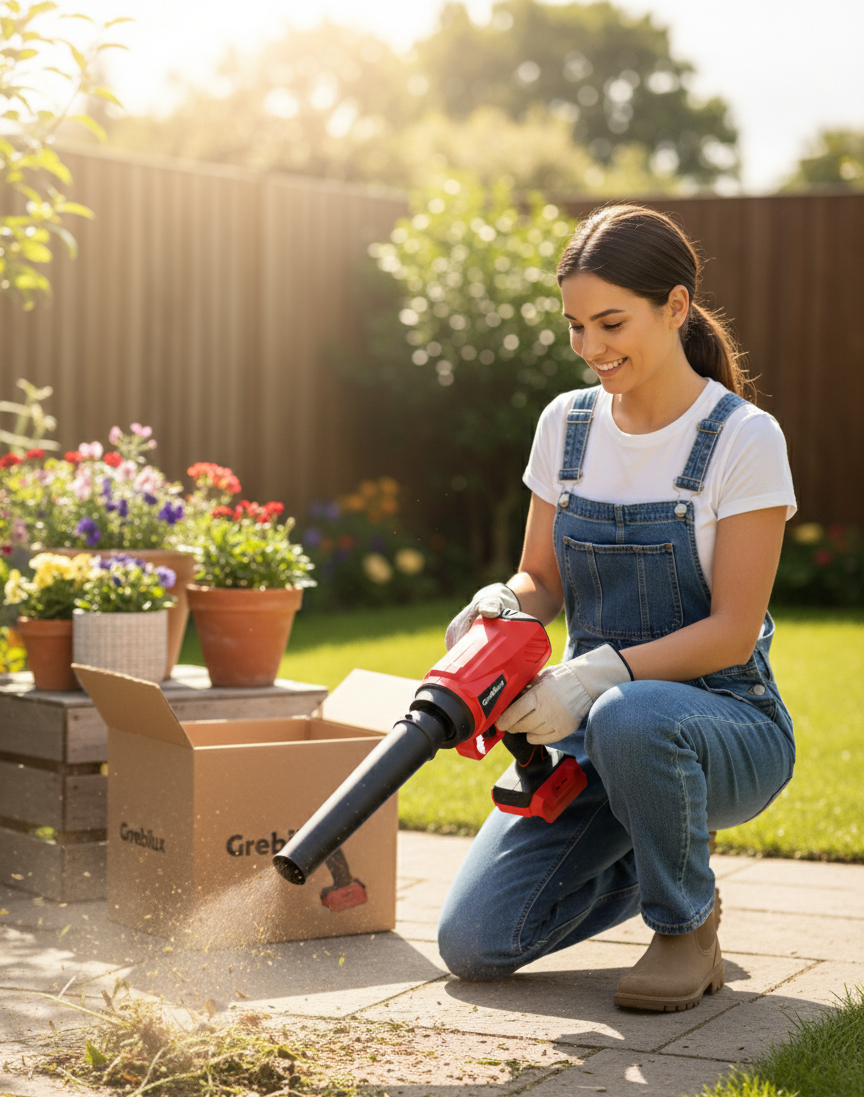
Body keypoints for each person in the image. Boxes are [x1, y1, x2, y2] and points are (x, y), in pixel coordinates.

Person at [437, 204, 796, 1012]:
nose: (591, 348)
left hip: (725, 722)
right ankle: (666, 848)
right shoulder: (566, 427)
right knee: (475, 943)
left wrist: (595, 674)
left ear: (675, 307)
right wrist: (500, 603)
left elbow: (733, 631)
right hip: (594, 727)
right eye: (574, 326)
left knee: (631, 715)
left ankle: (685, 924)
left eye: (610, 322)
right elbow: (541, 579)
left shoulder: (742, 439)